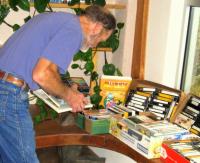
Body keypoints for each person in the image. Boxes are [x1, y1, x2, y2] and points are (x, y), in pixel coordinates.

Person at [0, 5, 116, 163]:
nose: (95, 45)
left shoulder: (58, 19)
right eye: (100, 39)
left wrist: (68, 89)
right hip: (8, 94)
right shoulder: (74, 30)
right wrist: (70, 96)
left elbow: (49, 71)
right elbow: (42, 75)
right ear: (96, 27)